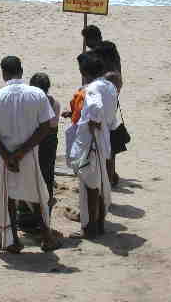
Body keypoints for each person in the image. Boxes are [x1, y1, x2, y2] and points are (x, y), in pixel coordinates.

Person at [0, 56, 62, 253]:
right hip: (29, 156)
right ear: (21, 71)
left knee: (7, 197)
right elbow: (45, 128)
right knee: (36, 197)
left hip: (3, 158)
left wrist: (8, 156)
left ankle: (13, 240)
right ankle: (46, 237)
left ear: (3, 72)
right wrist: (21, 152)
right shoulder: (37, 95)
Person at [67, 52, 117, 239]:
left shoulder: (93, 89)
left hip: (91, 141)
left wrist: (93, 121)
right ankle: (100, 223)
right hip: (103, 139)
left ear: (84, 71)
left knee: (90, 185)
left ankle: (89, 229)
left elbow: (95, 108)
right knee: (101, 182)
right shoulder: (110, 86)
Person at [18, 73, 60, 228]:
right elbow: (52, 127)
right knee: (46, 178)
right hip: (48, 146)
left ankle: (25, 217)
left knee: (26, 178)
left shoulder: (28, 104)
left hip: (31, 144)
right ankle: (43, 217)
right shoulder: (54, 103)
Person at [93, 42, 124, 187]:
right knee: (109, 150)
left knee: (106, 148)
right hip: (110, 112)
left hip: (104, 114)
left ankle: (108, 177)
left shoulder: (109, 74)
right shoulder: (114, 68)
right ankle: (110, 176)